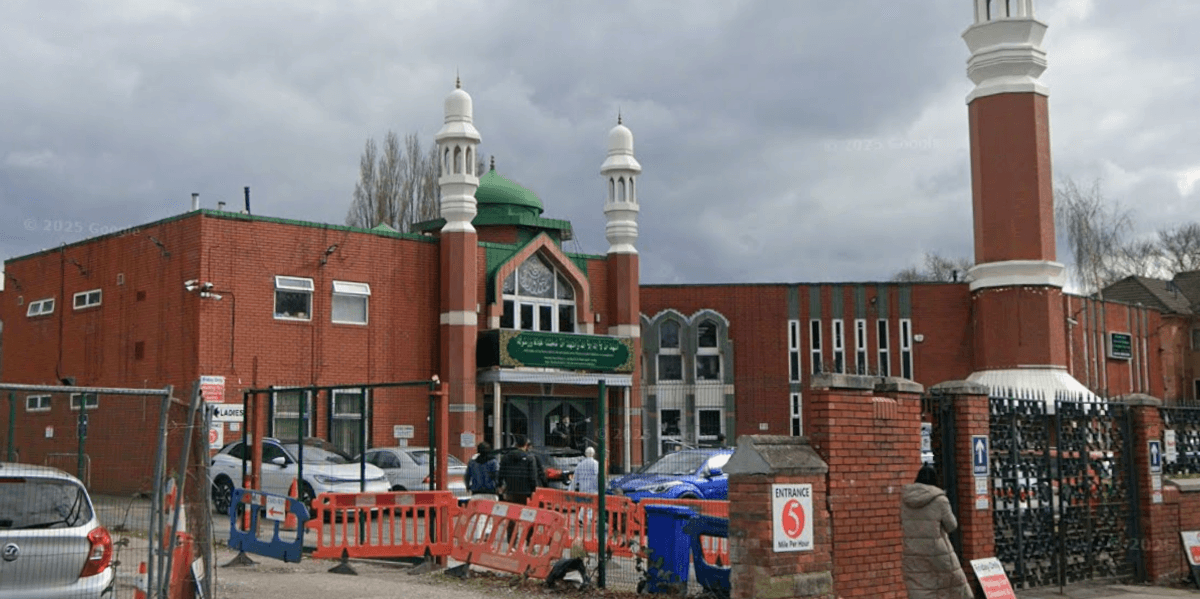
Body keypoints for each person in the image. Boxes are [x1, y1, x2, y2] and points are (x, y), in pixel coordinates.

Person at [901, 465, 973, 599]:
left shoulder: (906, 501)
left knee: (919, 585)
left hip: (913, 550)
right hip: (937, 551)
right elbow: (952, 525)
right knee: (950, 585)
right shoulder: (940, 500)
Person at [498, 434, 540, 505]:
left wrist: (500, 485)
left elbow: (501, 473)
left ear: (516, 444)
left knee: (512, 510)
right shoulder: (530, 458)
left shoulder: (506, 457)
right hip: (526, 491)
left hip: (510, 490)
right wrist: (534, 489)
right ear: (526, 444)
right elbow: (533, 476)